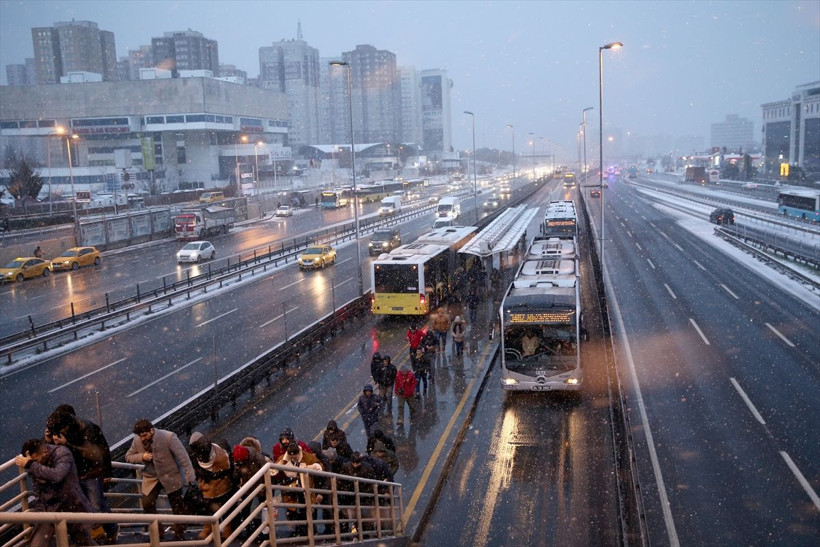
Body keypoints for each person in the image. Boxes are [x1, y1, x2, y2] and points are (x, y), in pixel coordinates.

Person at [45, 406, 118, 544]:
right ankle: (96, 535)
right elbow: (46, 451)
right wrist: (48, 439)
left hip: (91, 472)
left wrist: (67, 443)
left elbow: (95, 453)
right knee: (81, 507)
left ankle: (111, 529)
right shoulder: (58, 429)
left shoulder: (86, 427)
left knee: (97, 506)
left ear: (67, 424)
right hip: (73, 474)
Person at [125, 419, 197, 541]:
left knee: (177, 505)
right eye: (140, 436)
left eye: (144, 435)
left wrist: (190, 475)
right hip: (151, 477)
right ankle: (157, 531)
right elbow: (128, 456)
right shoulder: (137, 440)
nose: (142, 439)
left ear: (152, 431)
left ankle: (179, 532)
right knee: (147, 503)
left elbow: (183, 457)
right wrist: (142, 456)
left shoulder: (168, 437)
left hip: (170, 476)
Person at [15, 438, 94, 546]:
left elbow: (57, 475)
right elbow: (38, 490)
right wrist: (38, 512)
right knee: (37, 544)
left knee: (84, 542)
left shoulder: (62, 453)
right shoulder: (35, 464)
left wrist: (31, 465)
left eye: (36, 461)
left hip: (71, 505)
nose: (35, 465)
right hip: (49, 509)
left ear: (45, 452)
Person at [189, 432, 237, 539]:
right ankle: (208, 526)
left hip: (223, 485)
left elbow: (228, 468)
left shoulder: (221, 455)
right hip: (208, 488)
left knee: (225, 507)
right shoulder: (196, 456)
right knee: (208, 507)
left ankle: (226, 527)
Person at [278, 442, 323, 537]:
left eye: (295, 455)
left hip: (305, 489)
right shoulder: (284, 459)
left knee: (308, 510)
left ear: (298, 453)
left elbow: (319, 467)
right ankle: (302, 532)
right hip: (292, 489)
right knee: (295, 511)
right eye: (291, 455)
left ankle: (309, 533)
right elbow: (274, 470)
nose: (293, 457)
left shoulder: (307, 457)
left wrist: (310, 467)